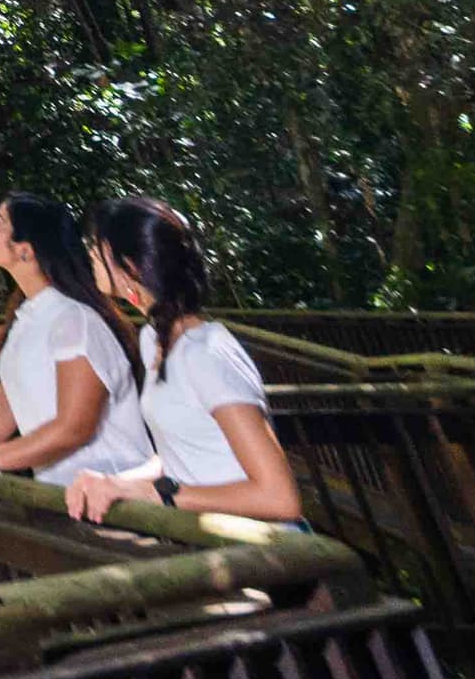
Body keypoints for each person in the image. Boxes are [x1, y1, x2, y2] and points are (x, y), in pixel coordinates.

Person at [65, 195, 305, 527]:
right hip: (214, 546)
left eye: (98, 247)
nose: (90, 253)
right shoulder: (154, 340)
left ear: (131, 266)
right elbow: (183, 454)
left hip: (271, 557)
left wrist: (159, 496)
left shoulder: (205, 354)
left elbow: (279, 498)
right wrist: (118, 483)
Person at [0, 192, 152, 486]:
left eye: (0, 222)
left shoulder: (74, 319)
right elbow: (8, 400)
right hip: (63, 499)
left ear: (26, 251)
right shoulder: (29, 317)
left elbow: (75, 427)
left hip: (118, 498)